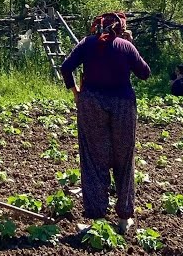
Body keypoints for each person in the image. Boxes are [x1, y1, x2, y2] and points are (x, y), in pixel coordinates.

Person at [60, 12, 151, 234]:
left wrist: (76, 92)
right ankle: (124, 217)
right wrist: (130, 44)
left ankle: (98, 219)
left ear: (97, 27)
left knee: (93, 159)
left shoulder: (87, 44)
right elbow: (144, 73)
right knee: (124, 158)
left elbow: (66, 68)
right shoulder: (125, 47)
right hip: (122, 105)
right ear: (120, 29)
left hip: (91, 104)